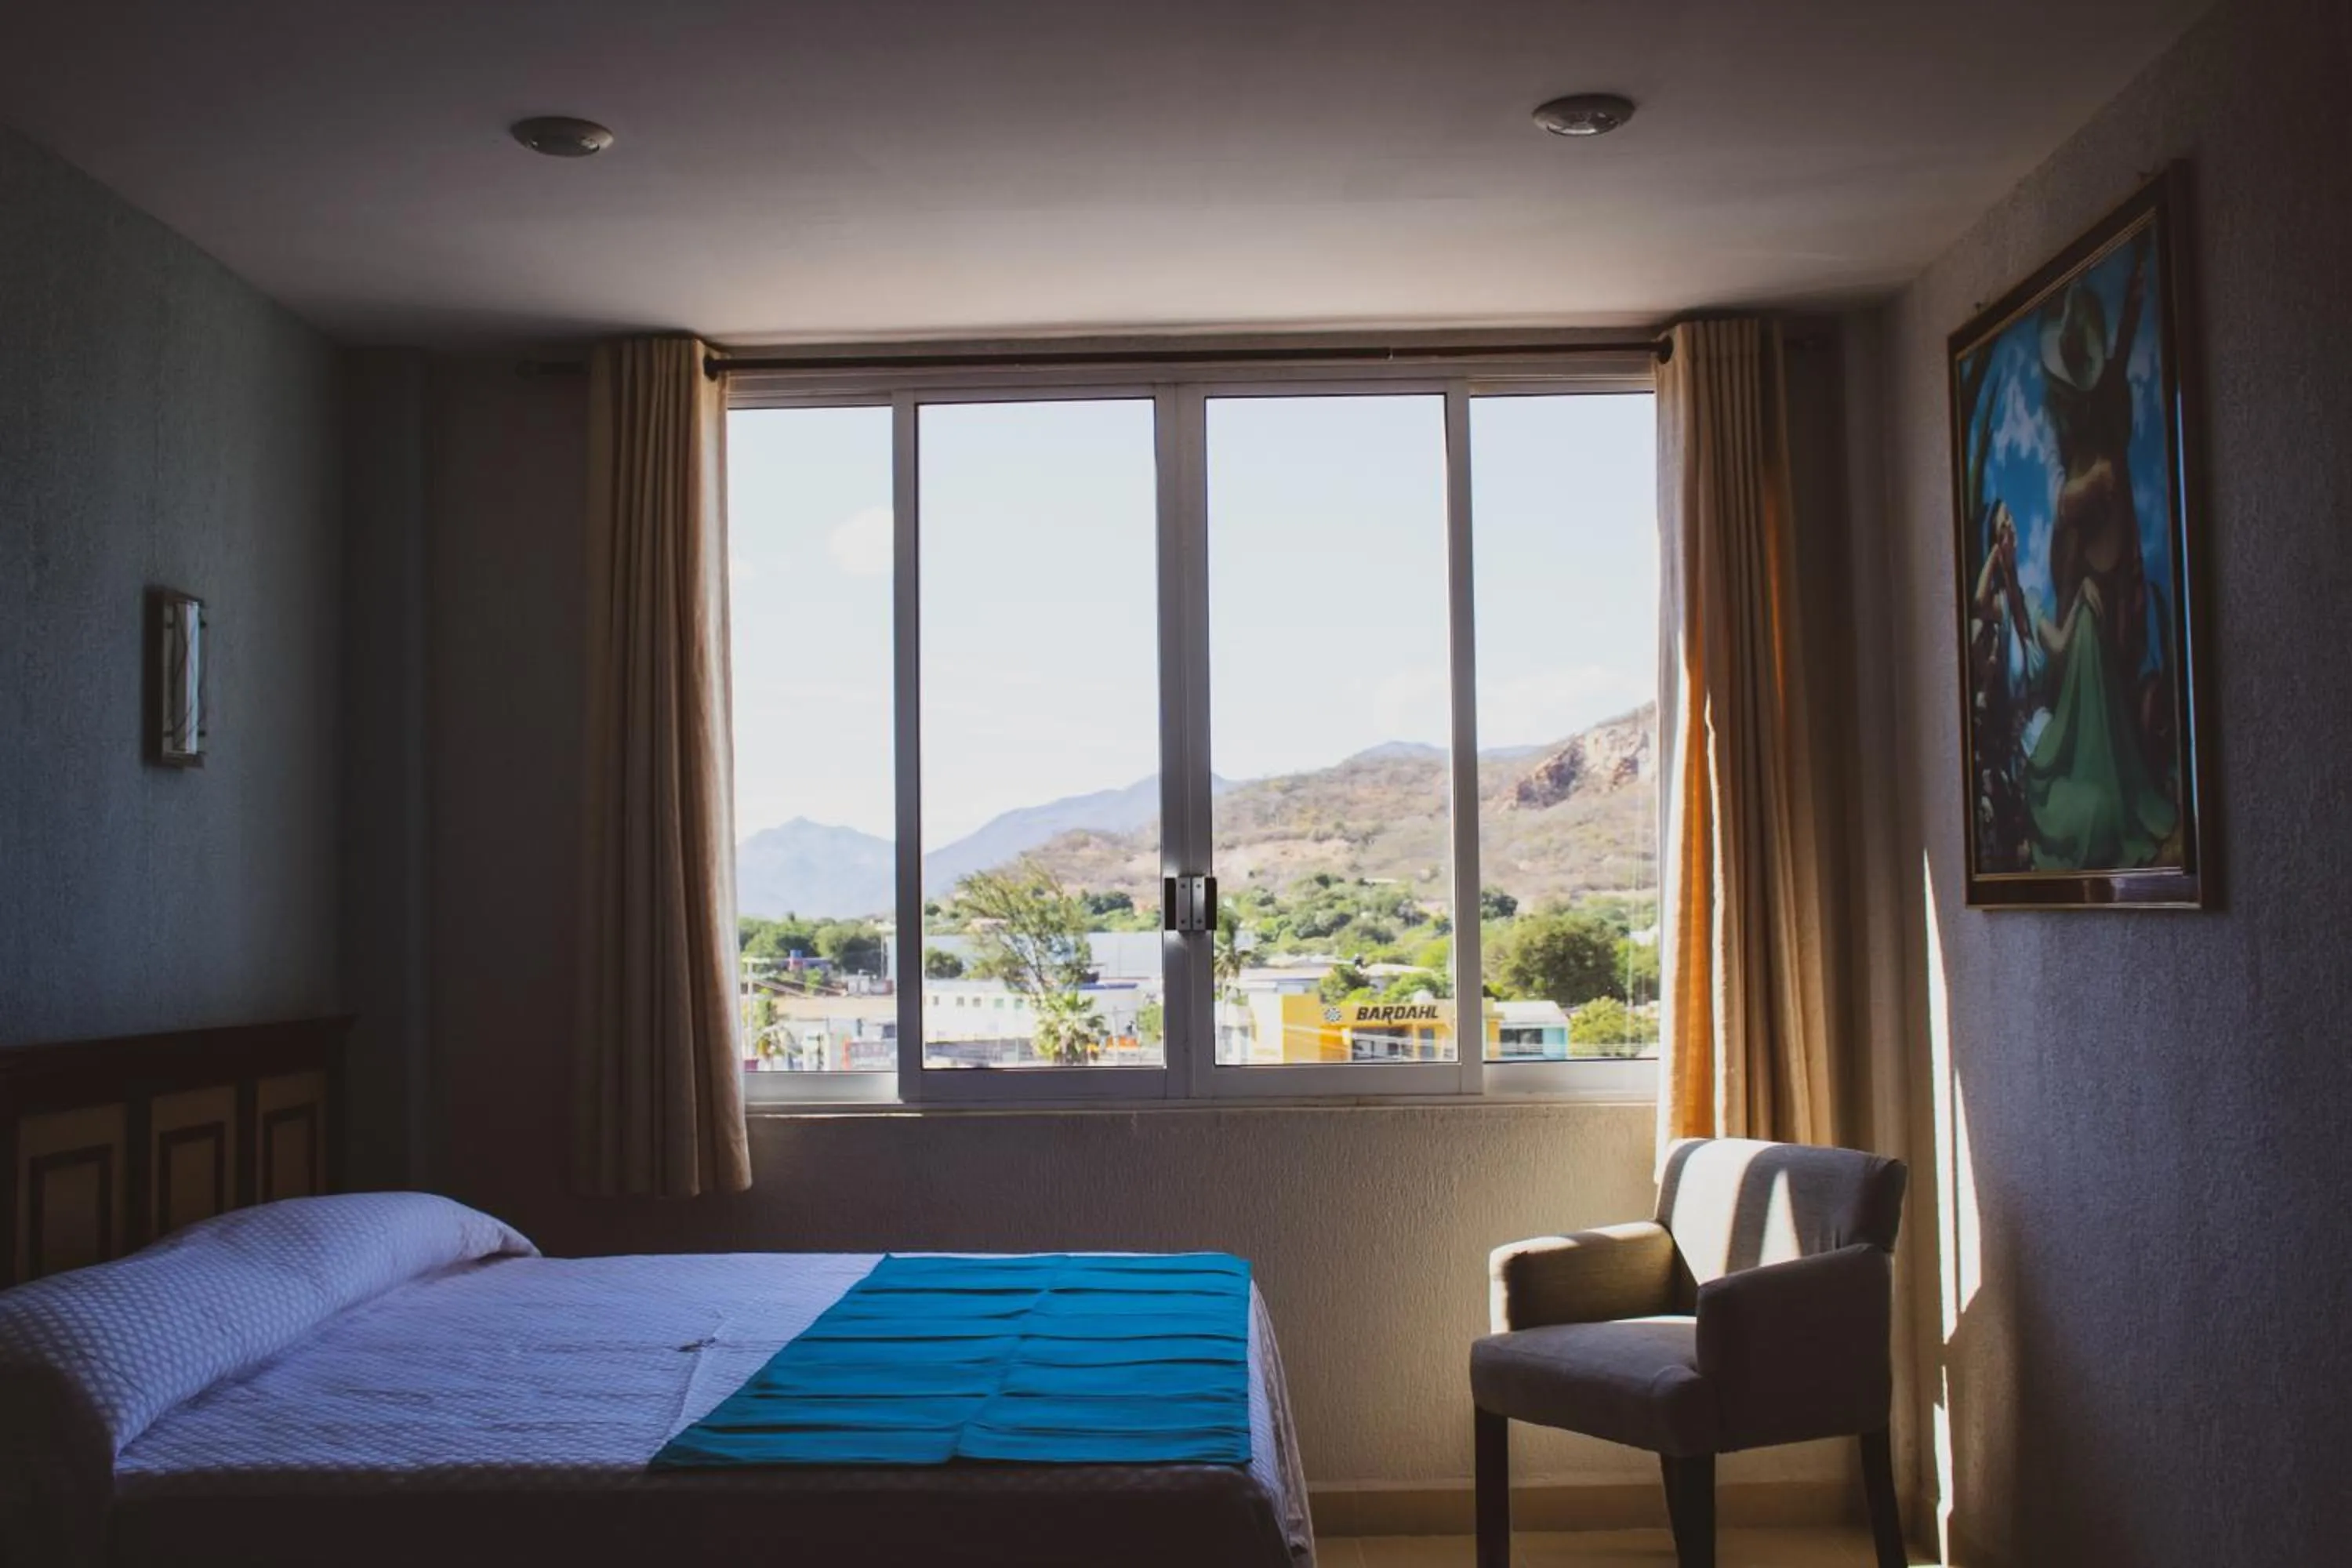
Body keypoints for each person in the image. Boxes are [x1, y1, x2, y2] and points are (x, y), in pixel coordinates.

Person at [2014, 238, 2179, 869]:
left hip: (2104, 594)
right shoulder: (2078, 463)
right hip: (2088, 599)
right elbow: (2067, 505)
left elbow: (2115, 368)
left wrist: (2133, 306)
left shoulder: (2101, 436)